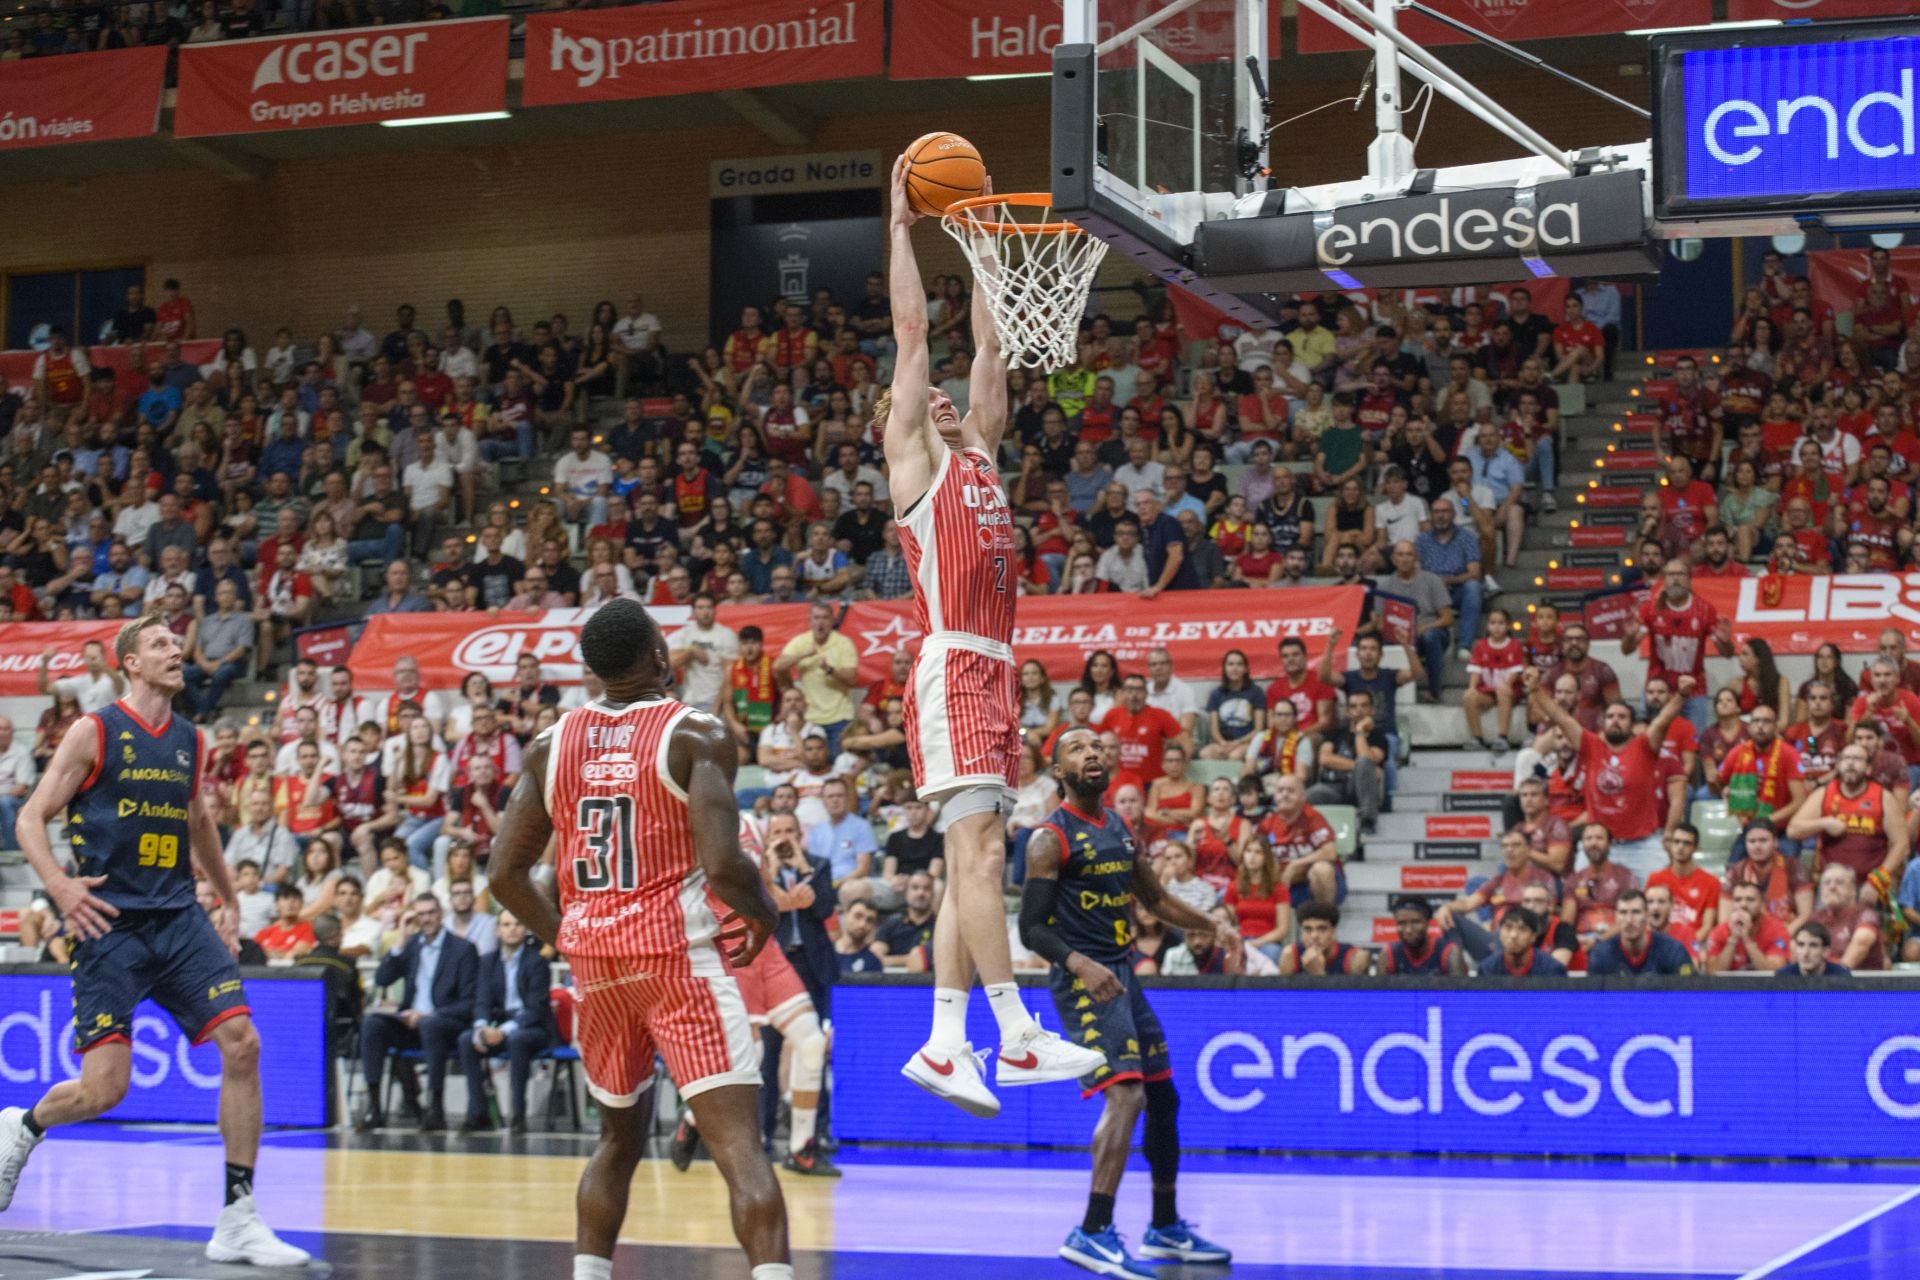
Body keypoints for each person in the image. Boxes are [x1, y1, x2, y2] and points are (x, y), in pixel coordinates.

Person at [882, 154, 1103, 1117]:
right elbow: (913, 336)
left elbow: (988, 342)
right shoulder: (917, 465)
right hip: (954, 664)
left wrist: (979, 243)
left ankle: (944, 1043)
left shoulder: (983, 452)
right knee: (978, 858)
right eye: (923, 401)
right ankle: (1014, 1034)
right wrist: (901, 228)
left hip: (995, 673)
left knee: (965, 866)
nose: (942, 399)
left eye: (951, 400)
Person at [486, 599, 792, 1280]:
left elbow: (503, 873)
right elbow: (723, 864)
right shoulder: (696, 733)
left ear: (595, 670)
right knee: (740, 1148)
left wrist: (568, 937)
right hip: (677, 959)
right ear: (659, 655)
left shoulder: (550, 744)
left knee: (615, 1142)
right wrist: (764, 912)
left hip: (597, 966)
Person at [0, 615, 308, 1266]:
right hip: (108, 925)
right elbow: (30, 817)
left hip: (178, 917)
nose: (176, 651)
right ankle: (23, 1125)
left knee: (243, 1043)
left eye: (176, 642)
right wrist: (58, 885)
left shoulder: (191, 739)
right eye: (161, 644)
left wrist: (227, 897)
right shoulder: (93, 731)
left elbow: (200, 821)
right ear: (131, 664)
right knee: (104, 1092)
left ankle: (238, 1217)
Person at [1019, 728, 1230, 1279]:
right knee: (1127, 1095)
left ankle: (1164, 1225)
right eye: (1077, 748)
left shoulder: (1118, 825)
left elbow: (1155, 900)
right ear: (1059, 772)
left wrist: (1212, 924)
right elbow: (1031, 929)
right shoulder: (1048, 838)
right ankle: (1092, 1231)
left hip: (1122, 974)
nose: (1092, 752)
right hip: (1084, 981)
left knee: (1163, 1097)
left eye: (1097, 745)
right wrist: (1082, 966)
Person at [1523, 666, 1688, 881]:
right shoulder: (1591, 746)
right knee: (1582, 896)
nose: (1615, 720)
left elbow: (1662, 720)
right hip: (1598, 844)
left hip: (1641, 847)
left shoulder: (1644, 747)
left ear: (1632, 725)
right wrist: (1535, 689)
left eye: (1622, 717)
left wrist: (1681, 695)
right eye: (1610, 716)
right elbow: (1561, 718)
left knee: (1658, 894)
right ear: (1603, 722)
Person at [359, 892, 480, 1132]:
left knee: (429, 1025)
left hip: (445, 1023)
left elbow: (468, 1002)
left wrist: (429, 1015)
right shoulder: (412, 944)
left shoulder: (463, 949)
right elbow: (383, 978)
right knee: (372, 1024)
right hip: (409, 1022)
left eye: (431, 913)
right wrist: (400, 940)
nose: (426, 919)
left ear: (441, 914)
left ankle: (435, 1108)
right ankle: (374, 1108)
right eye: (421, 914)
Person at [459, 910, 554, 1135]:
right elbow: (482, 1001)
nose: (512, 929)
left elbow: (536, 1008)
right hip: (499, 1026)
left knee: (517, 1040)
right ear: (497, 930)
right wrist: (481, 1028)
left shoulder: (537, 962)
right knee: (466, 1040)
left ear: (525, 929)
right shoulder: (487, 961)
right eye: (506, 924)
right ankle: (478, 1113)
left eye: (518, 924)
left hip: (532, 1028)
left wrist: (503, 1031)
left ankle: (518, 1116)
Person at [1586, 889, 1696, 976]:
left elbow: (1689, 994)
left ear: (1647, 916)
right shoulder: (1601, 954)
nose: (1629, 920)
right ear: (1616, 917)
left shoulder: (1673, 951)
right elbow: (1593, 997)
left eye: (1636, 912)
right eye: (1623, 913)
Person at [1776, 921, 1852, 978]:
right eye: (1801, 945)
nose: (1805, 953)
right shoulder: (1783, 976)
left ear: (1825, 952)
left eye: (1813, 945)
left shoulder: (1841, 977)